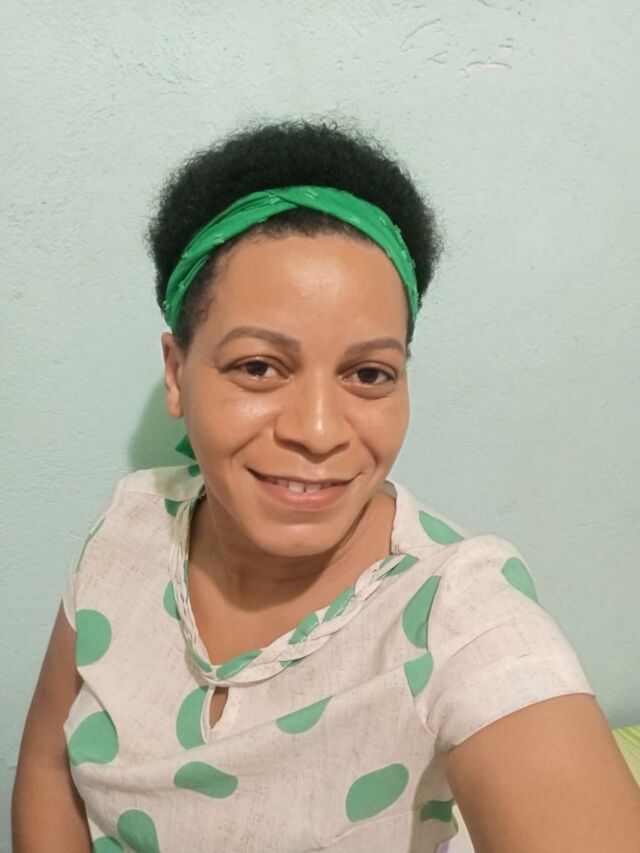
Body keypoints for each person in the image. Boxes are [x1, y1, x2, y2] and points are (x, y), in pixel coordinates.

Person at [12, 118, 640, 852]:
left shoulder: (458, 616)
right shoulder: (129, 526)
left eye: (369, 374)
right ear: (177, 374)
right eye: (259, 367)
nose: (317, 430)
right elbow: (47, 762)